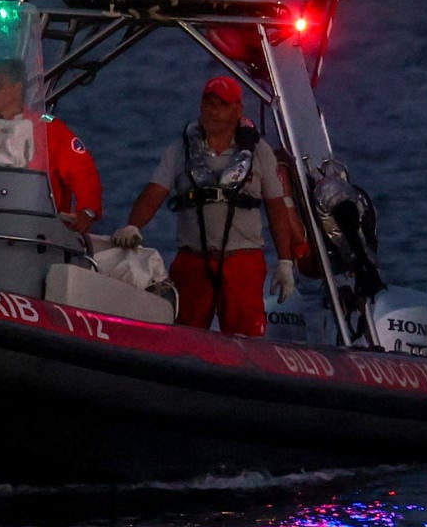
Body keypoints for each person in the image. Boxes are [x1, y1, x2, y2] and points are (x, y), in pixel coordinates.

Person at [114, 74, 310, 334]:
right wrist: (133, 226)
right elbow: (154, 193)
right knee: (186, 333)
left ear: (238, 110)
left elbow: (276, 209)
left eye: (223, 105)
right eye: (209, 103)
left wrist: (284, 261)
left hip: (242, 262)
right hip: (193, 262)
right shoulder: (180, 150)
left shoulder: (260, 152)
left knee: (246, 337)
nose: (214, 111)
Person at [0, 58, 103, 234]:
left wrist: (87, 211)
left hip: (39, 235)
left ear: (17, 88)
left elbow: (83, 172)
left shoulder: (49, 128)